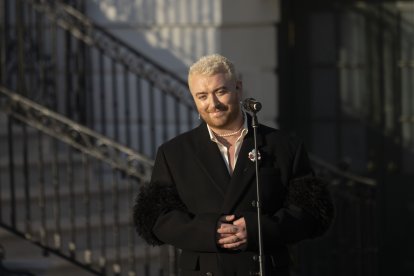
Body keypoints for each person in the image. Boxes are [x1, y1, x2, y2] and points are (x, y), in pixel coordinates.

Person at [133, 54, 334, 276]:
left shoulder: (283, 146)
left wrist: (258, 230)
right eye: (202, 96)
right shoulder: (173, 153)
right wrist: (210, 231)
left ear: (238, 88)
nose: (213, 104)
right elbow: (158, 218)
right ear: (194, 99)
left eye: (221, 91)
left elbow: (311, 212)